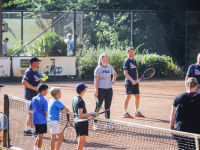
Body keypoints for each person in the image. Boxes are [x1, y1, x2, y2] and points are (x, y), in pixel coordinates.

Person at [170, 77, 200, 149]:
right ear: (196, 86)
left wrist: (171, 127)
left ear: (186, 85)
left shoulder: (179, 96)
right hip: (197, 129)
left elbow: (172, 113)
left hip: (182, 128)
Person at [93, 53, 117, 130]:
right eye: (106, 59)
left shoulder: (110, 67)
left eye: (108, 59)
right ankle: (95, 123)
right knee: (98, 107)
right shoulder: (98, 69)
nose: (107, 60)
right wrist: (96, 91)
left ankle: (107, 123)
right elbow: (96, 81)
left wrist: (112, 82)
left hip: (109, 90)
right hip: (101, 90)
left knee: (107, 107)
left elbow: (115, 75)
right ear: (102, 60)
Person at [72, 83, 97, 150]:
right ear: (83, 91)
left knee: (83, 142)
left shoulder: (74, 98)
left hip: (77, 121)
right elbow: (80, 115)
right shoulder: (80, 101)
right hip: (81, 123)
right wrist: (92, 113)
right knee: (81, 143)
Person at [22, 57, 42, 136]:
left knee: (32, 114)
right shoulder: (28, 72)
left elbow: (36, 82)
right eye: (38, 62)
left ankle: (26, 130)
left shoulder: (36, 72)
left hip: (35, 97)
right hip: (30, 98)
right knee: (32, 115)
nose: (39, 63)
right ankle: (34, 132)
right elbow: (24, 82)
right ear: (34, 63)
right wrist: (33, 88)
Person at [123, 47, 144, 118]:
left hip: (135, 82)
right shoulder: (127, 61)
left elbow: (136, 71)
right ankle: (125, 113)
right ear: (127, 53)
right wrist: (132, 80)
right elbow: (125, 73)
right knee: (128, 96)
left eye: (132, 52)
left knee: (137, 96)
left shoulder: (134, 60)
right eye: (130, 52)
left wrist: (137, 81)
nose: (132, 53)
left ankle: (137, 112)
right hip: (129, 82)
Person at [28, 83, 48, 150]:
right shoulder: (44, 101)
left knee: (38, 135)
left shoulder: (33, 98)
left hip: (35, 120)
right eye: (46, 90)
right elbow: (46, 113)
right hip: (42, 121)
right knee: (41, 137)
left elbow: (30, 108)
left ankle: (35, 148)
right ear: (42, 91)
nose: (47, 92)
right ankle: (39, 149)